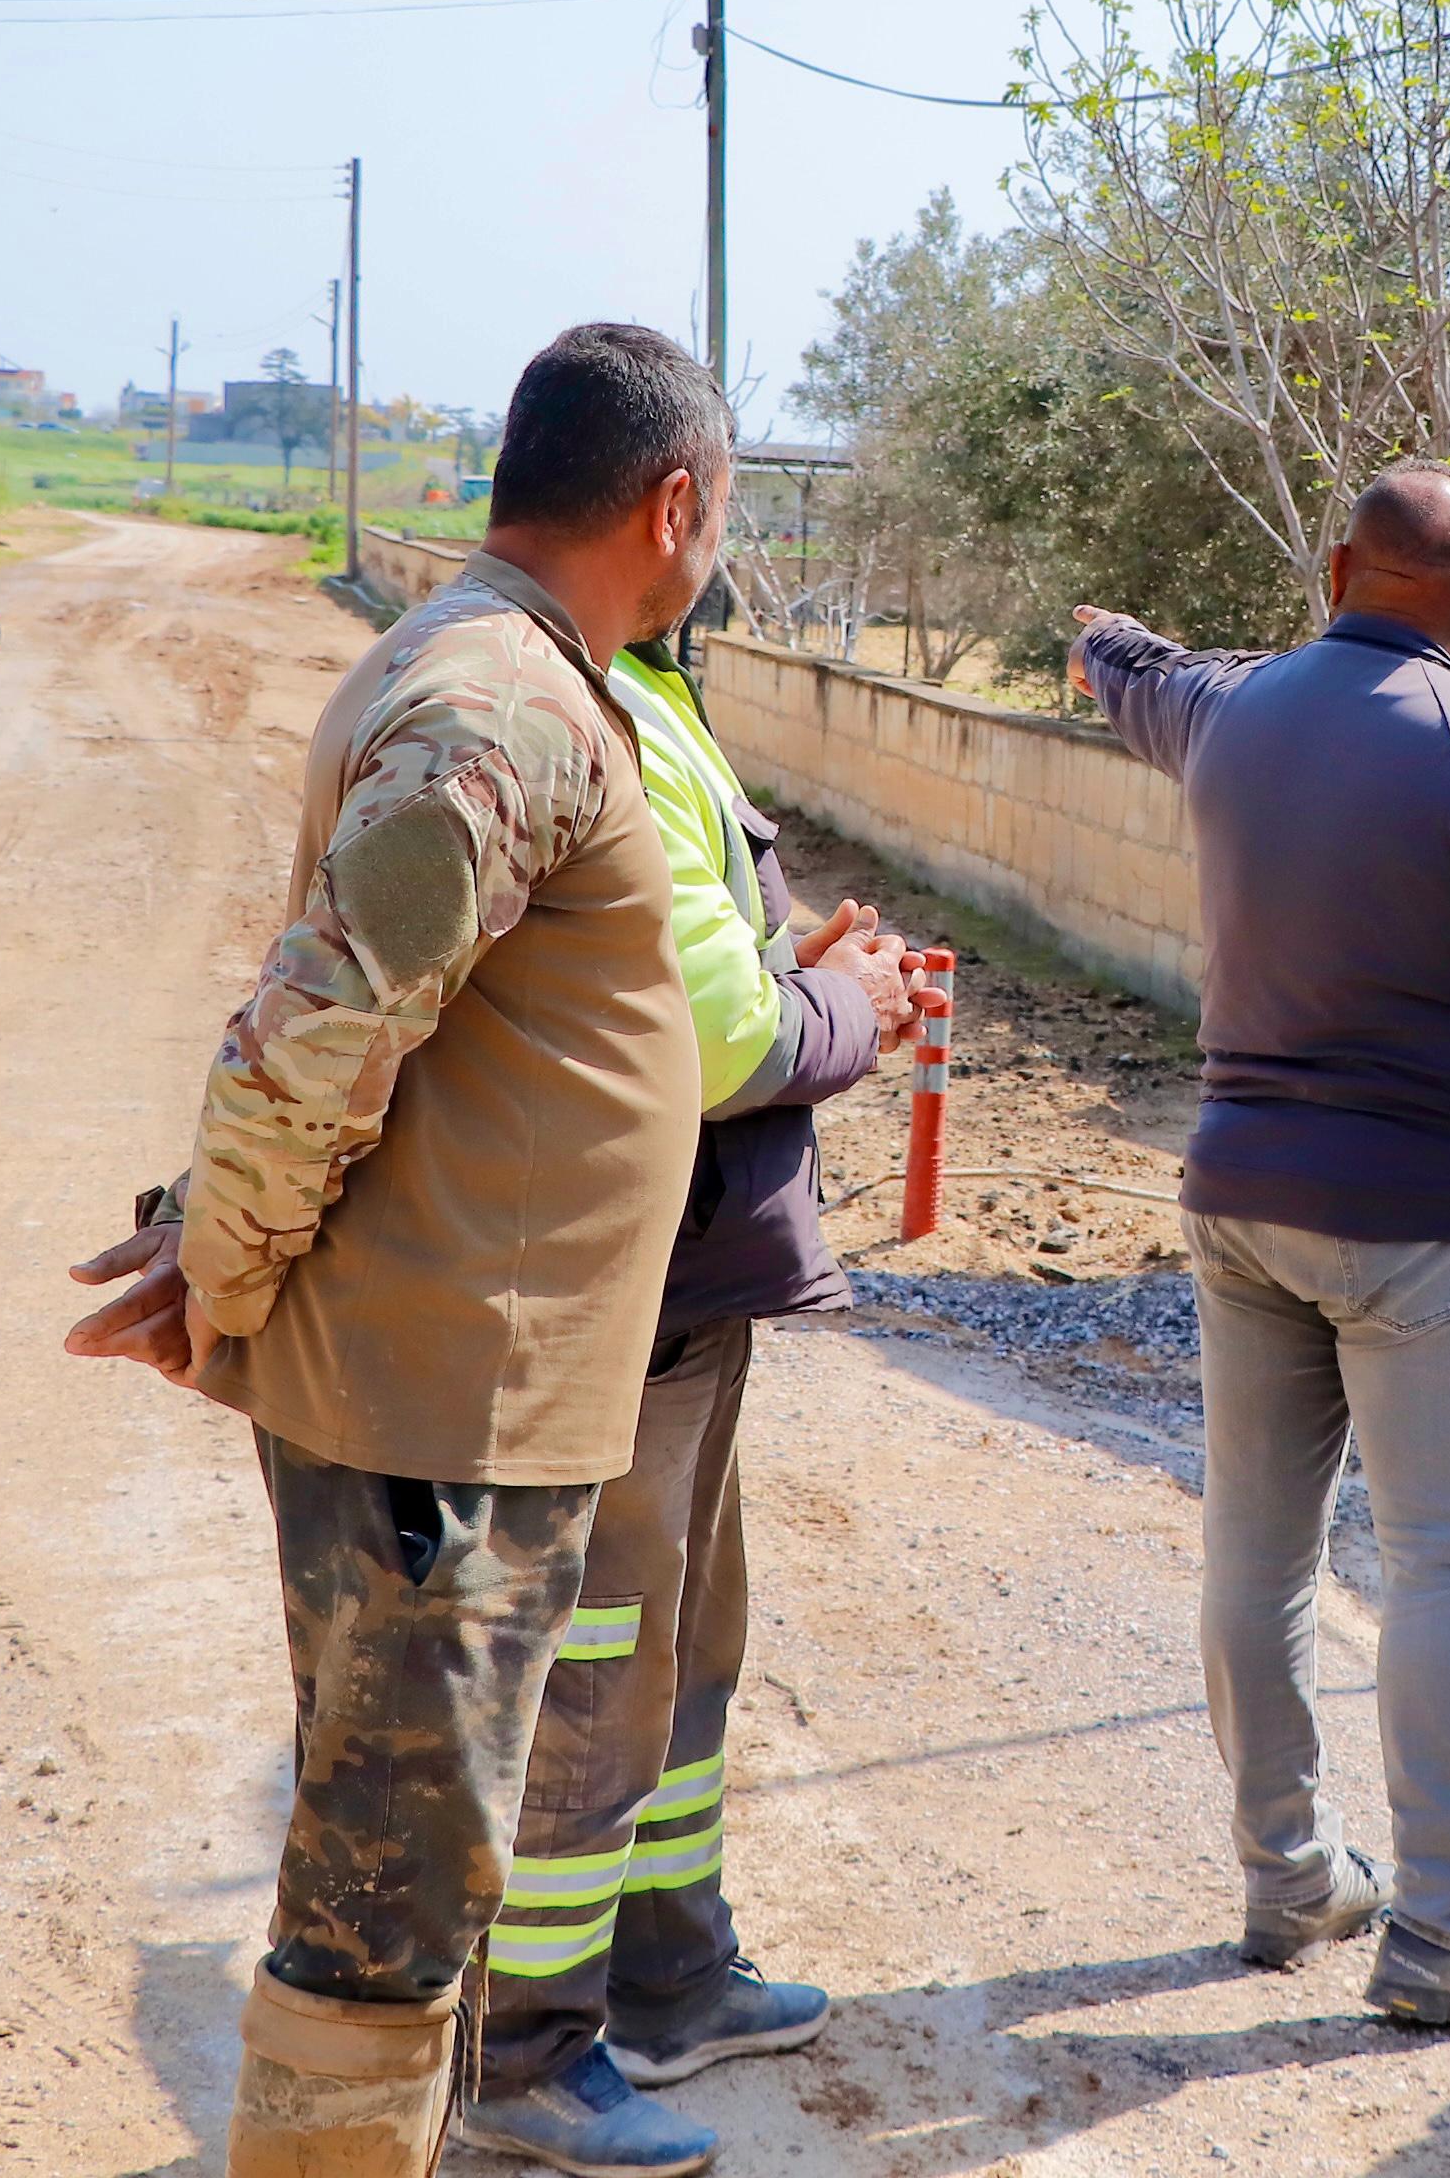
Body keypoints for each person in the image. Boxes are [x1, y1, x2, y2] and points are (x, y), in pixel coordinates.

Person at [62, 324, 725, 2178]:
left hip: (458, 1410)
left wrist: (214, 1251)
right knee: (383, 1912)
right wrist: (218, 1275)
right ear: (673, 505)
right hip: (445, 1432)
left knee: (414, 1885)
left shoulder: (499, 667)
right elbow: (325, 1024)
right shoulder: (502, 703)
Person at [1069, 463, 1450, 2037]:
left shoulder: (1235, 715)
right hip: (1430, 1228)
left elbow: (1151, 684)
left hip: (1243, 1200)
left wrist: (1103, 647)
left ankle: (1289, 1879)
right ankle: (1449, 1933)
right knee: (1448, 1567)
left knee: (1256, 1553)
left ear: (1337, 571)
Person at [459, 612, 925, 2174]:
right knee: (601, 1666)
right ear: (674, 508)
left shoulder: (648, 687)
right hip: (629, 1295)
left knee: (686, 1646)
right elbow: (716, 1042)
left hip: (688, 1284)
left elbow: (692, 974)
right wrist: (844, 1003)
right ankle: (524, 2051)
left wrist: (797, 964)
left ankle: (670, 1977)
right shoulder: (596, 705)